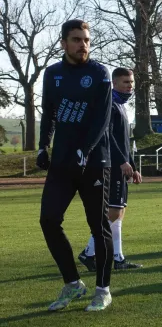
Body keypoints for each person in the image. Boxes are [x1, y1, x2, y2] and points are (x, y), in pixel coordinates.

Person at [37, 19, 114, 312]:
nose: (83, 44)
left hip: (94, 162)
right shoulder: (53, 74)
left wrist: (86, 149)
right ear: (63, 43)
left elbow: (101, 119)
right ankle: (72, 284)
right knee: (48, 220)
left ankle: (103, 290)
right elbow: (49, 114)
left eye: (86, 40)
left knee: (98, 226)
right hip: (62, 162)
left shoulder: (99, 74)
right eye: (76, 39)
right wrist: (44, 146)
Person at [78, 67, 143, 272]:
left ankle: (118, 258)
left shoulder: (123, 107)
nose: (129, 86)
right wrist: (122, 161)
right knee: (113, 211)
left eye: (131, 82)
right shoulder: (110, 105)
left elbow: (125, 141)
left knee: (119, 211)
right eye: (125, 82)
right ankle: (89, 253)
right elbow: (108, 138)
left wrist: (133, 166)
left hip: (122, 166)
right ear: (114, 83)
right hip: (112, 166)